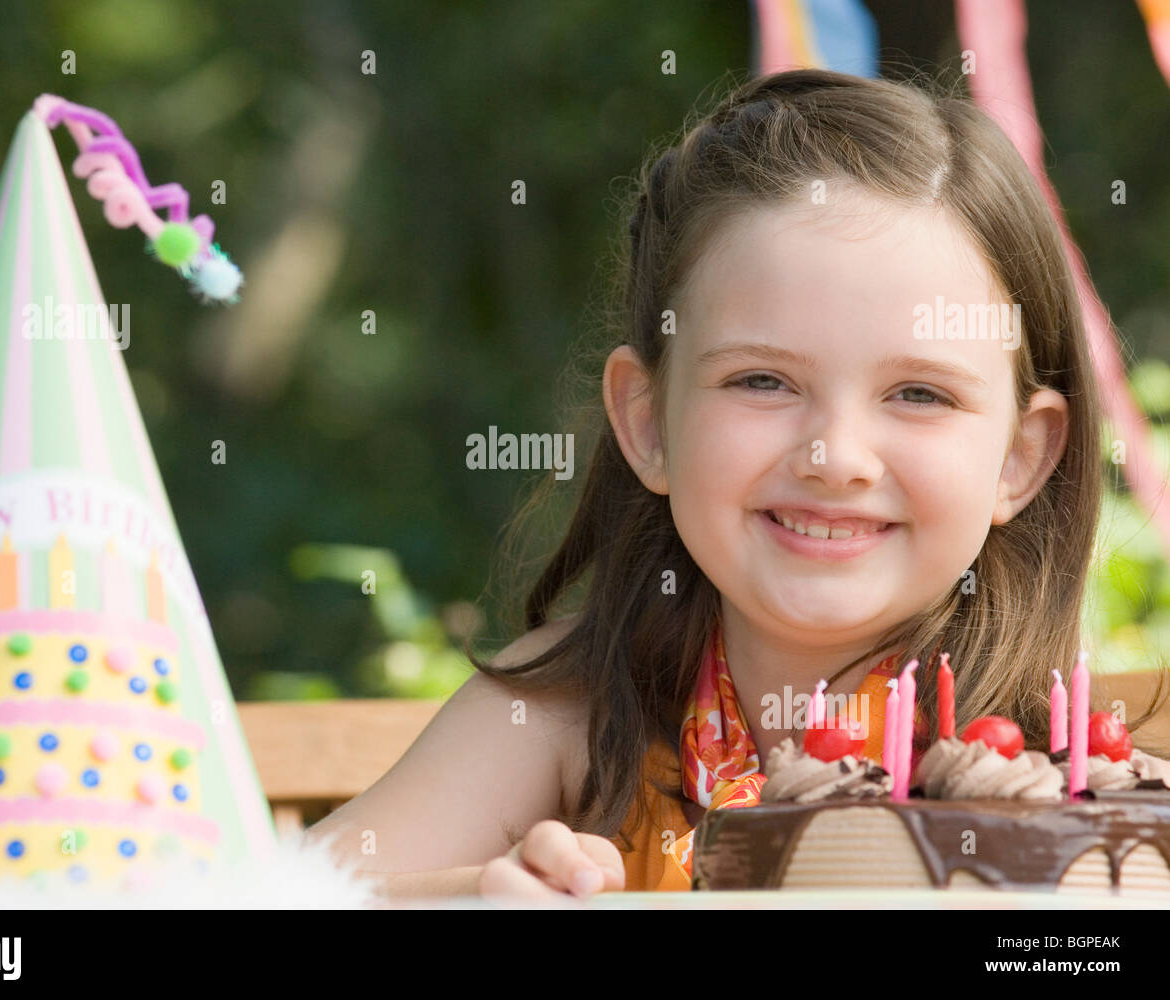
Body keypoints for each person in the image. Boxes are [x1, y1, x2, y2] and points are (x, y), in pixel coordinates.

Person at [305, 67, 1170, 900]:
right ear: (649, 423)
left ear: (1020, 457)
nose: (836, 456)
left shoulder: (1076, 800)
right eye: (763, 381)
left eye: (919, 394)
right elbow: (245, 894)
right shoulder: (572, 710)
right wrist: (476, 897)